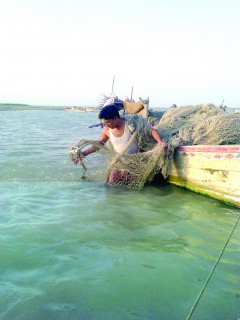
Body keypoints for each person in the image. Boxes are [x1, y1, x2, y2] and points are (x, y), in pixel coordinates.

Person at [74, 104, 167, 183]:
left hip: (135, 164)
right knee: (112, 185)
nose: (107, 125)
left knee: (133, 190)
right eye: (105, 123)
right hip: (119, 164)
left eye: (108, 122)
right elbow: (100, 144)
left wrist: (159, 141)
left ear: (115, 118)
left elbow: (151, 131)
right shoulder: (107, 130)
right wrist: (84, 153)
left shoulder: (131, 124)